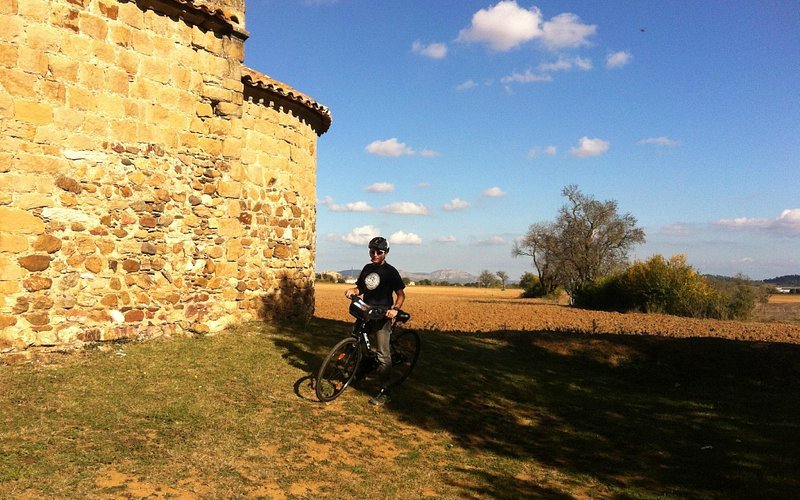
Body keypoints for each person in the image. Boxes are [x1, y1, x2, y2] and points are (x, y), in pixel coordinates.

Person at [344, 236, 406, 406]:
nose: (375, 254)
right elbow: (361, 288)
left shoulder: (390, 272)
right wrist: (353, 290)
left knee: (382, 355)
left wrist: (395, 309)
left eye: (379, 251)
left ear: (385, 253)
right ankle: (359, 372)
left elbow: (400, 294)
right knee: (356, 342)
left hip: (382, 315)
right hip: (366, 311)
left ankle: (385, 391)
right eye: (372, 251)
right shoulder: (367, 268)